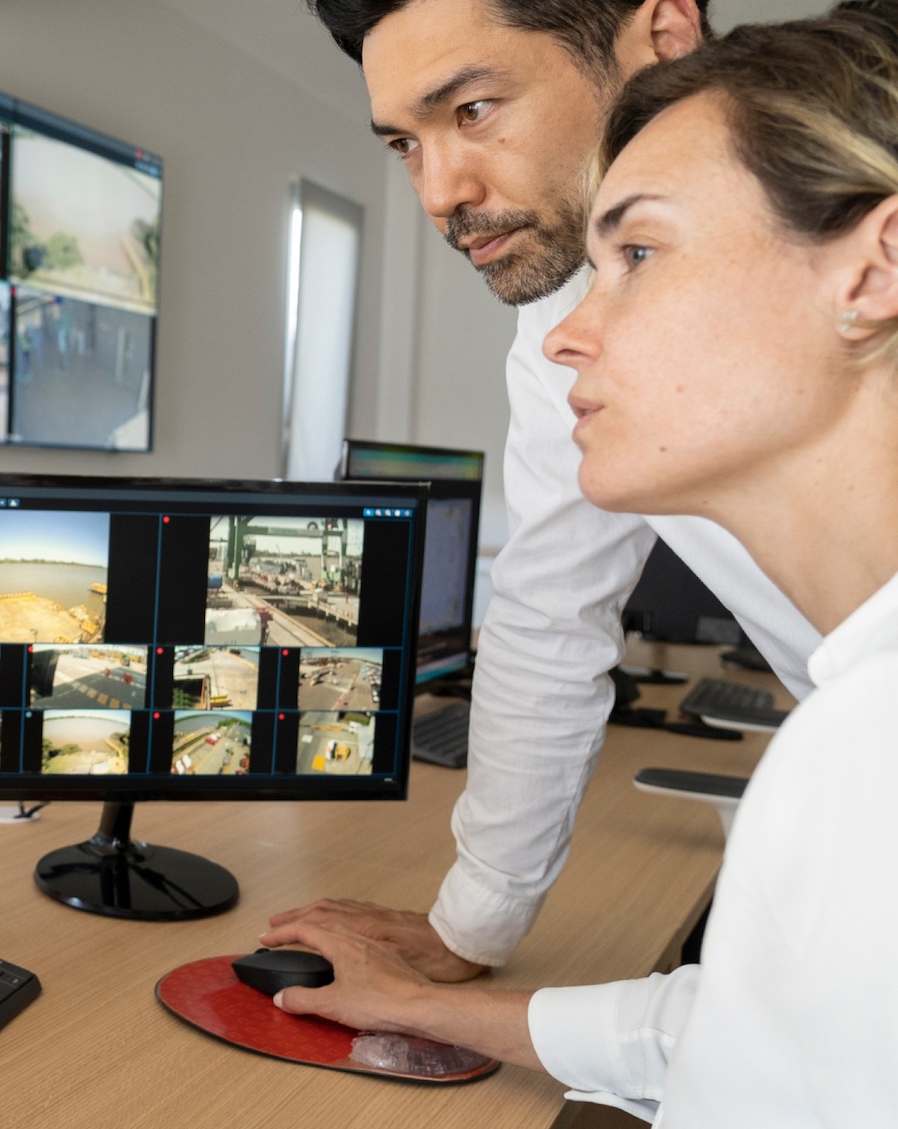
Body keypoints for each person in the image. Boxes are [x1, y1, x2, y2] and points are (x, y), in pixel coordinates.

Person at [263, 8, 898, 1120]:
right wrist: (458, 955)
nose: (436, 192)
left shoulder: (850, 754)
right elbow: (542, 620)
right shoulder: (842, 753)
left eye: (473, 108)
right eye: (403, 142)